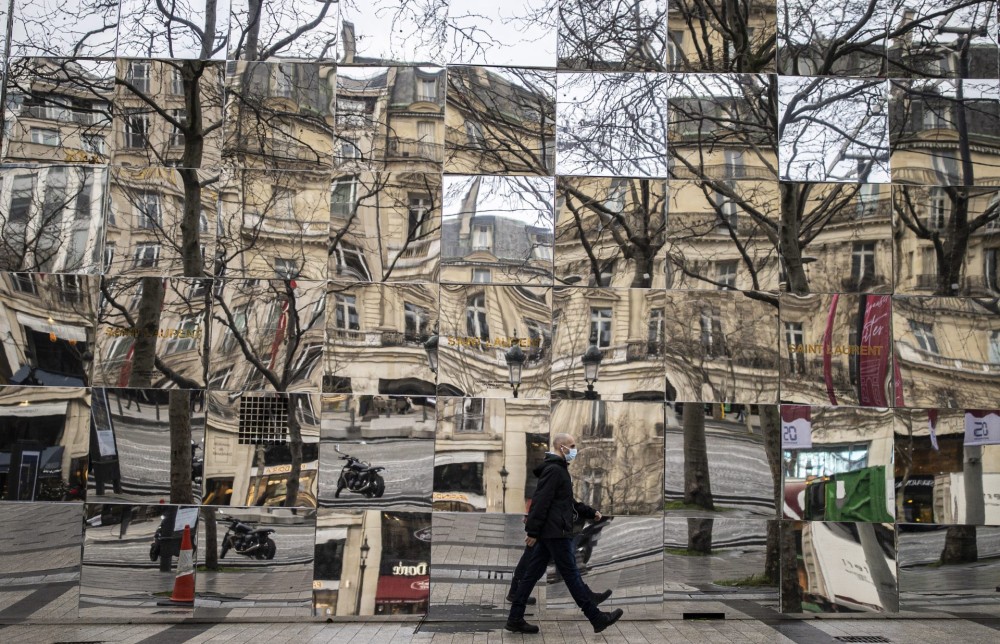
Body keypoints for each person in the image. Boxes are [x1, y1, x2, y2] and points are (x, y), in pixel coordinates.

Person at [505, 433, 623, 635]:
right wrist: (532, 531)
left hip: (550, 532)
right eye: (572, 446)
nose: (574, 450)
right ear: (561, 448)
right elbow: (541, 500)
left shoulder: (558, 471)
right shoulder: (555, 471)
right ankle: (596, 618)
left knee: (531, 576)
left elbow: (567, 502)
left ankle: (515, 618)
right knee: (571, 576)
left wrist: (589, 512)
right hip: (556, 533)